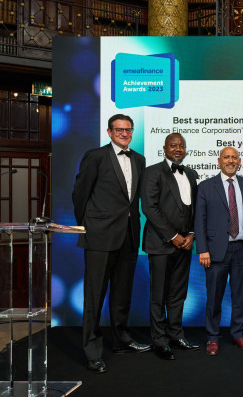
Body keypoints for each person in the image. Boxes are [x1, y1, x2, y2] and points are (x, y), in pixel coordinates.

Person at [72, 114, 150, 374]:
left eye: (128, 129)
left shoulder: (139, 159)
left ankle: (121, 340)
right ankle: (92, 351)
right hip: (99, 236)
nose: (125, 133)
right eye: (119, 130)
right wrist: (89, 226)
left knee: (122, 293)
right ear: (109, 132)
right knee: (94, 297)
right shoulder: (95, 156)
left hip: (129, 235)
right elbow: (80, 194)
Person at [194, 146, 243, 356]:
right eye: (226, 157)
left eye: (234, 158)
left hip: (241, 248)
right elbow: (199, 220)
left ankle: (238, 333)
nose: (230, 161)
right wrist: (202, 249)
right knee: (214, 297)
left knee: (240, 295)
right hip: (214, 251)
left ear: (239, 161)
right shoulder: (206, 186)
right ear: (219, 161)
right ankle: (212, 337)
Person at [140, 133, 200, 360]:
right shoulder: (152, 172)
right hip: (160, 244)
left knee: (178, 294)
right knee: (159, 295)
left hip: (185, 245)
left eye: (181, 146)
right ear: (164, 148)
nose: (178, 149)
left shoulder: (192, 174)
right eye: (173, 145)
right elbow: (149, 207)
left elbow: (196, 209)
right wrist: (173, 236)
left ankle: (176, 335)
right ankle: (160, 341)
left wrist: (192, 234)